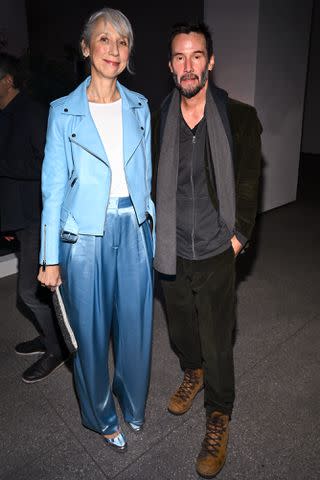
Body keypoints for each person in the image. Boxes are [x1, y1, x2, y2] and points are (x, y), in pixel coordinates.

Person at [38, 8, 155, 451]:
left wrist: (152, 234)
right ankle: (100, 416)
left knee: (137, 327)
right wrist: (49, 257)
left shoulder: (140, 105)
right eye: (104, 40)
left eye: (123, 42)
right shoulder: (63, 112)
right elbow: (52, 188)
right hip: (83, 237)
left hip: (135, 230)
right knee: (87, 333)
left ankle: (133, 402)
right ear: (87, 47)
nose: (114, 49)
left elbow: (144, 178)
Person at [152, 23, 262, 478]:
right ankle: (191, 373)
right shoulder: (162, 115)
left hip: (218, 247)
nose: (188, 65)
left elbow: (249, 181)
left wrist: (239, 235)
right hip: (173, 248)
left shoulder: (239, 116)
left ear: (210, 62)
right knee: (181, 330)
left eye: (197, 56)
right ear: (171, 66)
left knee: (218, 340)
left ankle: (219, 415)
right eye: (180, 57)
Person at [0, 53, 67, 383]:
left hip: (37, 219)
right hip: (19, 220)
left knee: (29, 292)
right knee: (37, 292)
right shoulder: (4, 114)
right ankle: (49, 337)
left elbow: (50, 170)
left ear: (8, 80)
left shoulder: (32, 113)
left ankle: (58, 348)